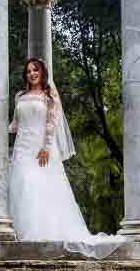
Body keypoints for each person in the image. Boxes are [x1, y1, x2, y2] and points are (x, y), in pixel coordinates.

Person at [8, 58, 124, 258]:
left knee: (38, 186)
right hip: (21, 148)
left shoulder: (49, 96)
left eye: (35, 70)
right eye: (28, 71)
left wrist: (46, 147)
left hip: (40, 148)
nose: (32, 74)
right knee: (22, 185)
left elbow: (51, 123)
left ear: (42, 73)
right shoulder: (20, 96)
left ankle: (40, 232)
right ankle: (23, 233)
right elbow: (14, 125)